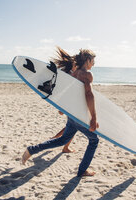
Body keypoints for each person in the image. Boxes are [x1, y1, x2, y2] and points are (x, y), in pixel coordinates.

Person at [22, 49, 99, 177]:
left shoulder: (74, 74)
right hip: (78, 115)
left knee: (63, 140)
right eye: (93, 60)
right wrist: (93, 118)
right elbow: (89, 94)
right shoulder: (87, 74)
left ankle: (31, 150)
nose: (94, 63)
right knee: (94, 140)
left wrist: (63, 108)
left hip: (72, 113)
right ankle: (82, 170)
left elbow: (69, 92)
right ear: (88, 60)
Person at [51, 46, 77, 153]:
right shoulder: (70, 75)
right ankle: (64, 146)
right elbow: (64, 91)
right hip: (69, 104)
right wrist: (61, 107)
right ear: (73, 64)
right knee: (73, 127)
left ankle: (55, 138)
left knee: (71, 126)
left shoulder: (73, 73)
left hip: (72, 104)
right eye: (77, 64)